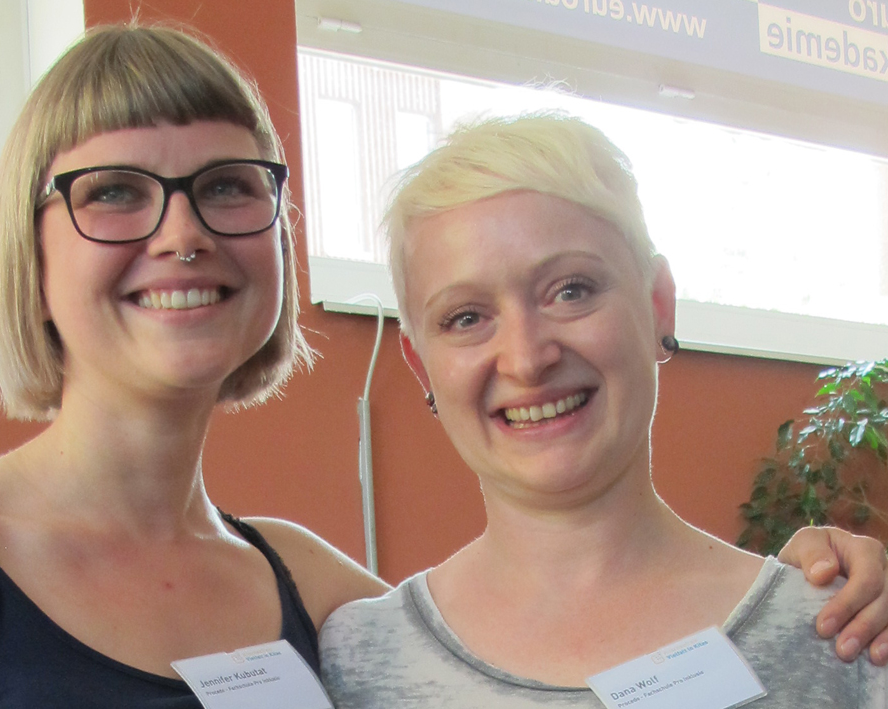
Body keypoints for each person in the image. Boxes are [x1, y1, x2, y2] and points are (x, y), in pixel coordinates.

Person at [0, 23, 881, 709]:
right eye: (113, 193)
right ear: (30, 249)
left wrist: (820, 582)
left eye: (227, 187)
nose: (182, 234)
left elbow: (541, 633)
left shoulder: (325, 600)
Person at [319, 112, 888, 707]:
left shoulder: (844, 636)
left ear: (658, 305)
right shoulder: (353, 662)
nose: (526, 359)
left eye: (571, 291)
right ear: (421, 366)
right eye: (466, 317)